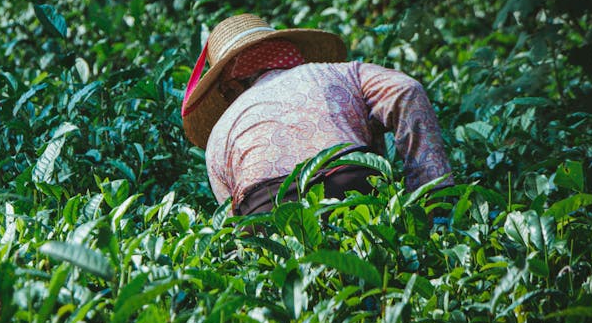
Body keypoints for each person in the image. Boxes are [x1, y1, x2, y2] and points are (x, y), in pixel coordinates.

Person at [181, 13, 453, 215]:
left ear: (229, 85)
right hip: (352, 187)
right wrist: (431, 192)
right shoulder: (340, 72)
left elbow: (231, 217)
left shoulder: (220, 132)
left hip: (269, 213)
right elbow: (406, 90)